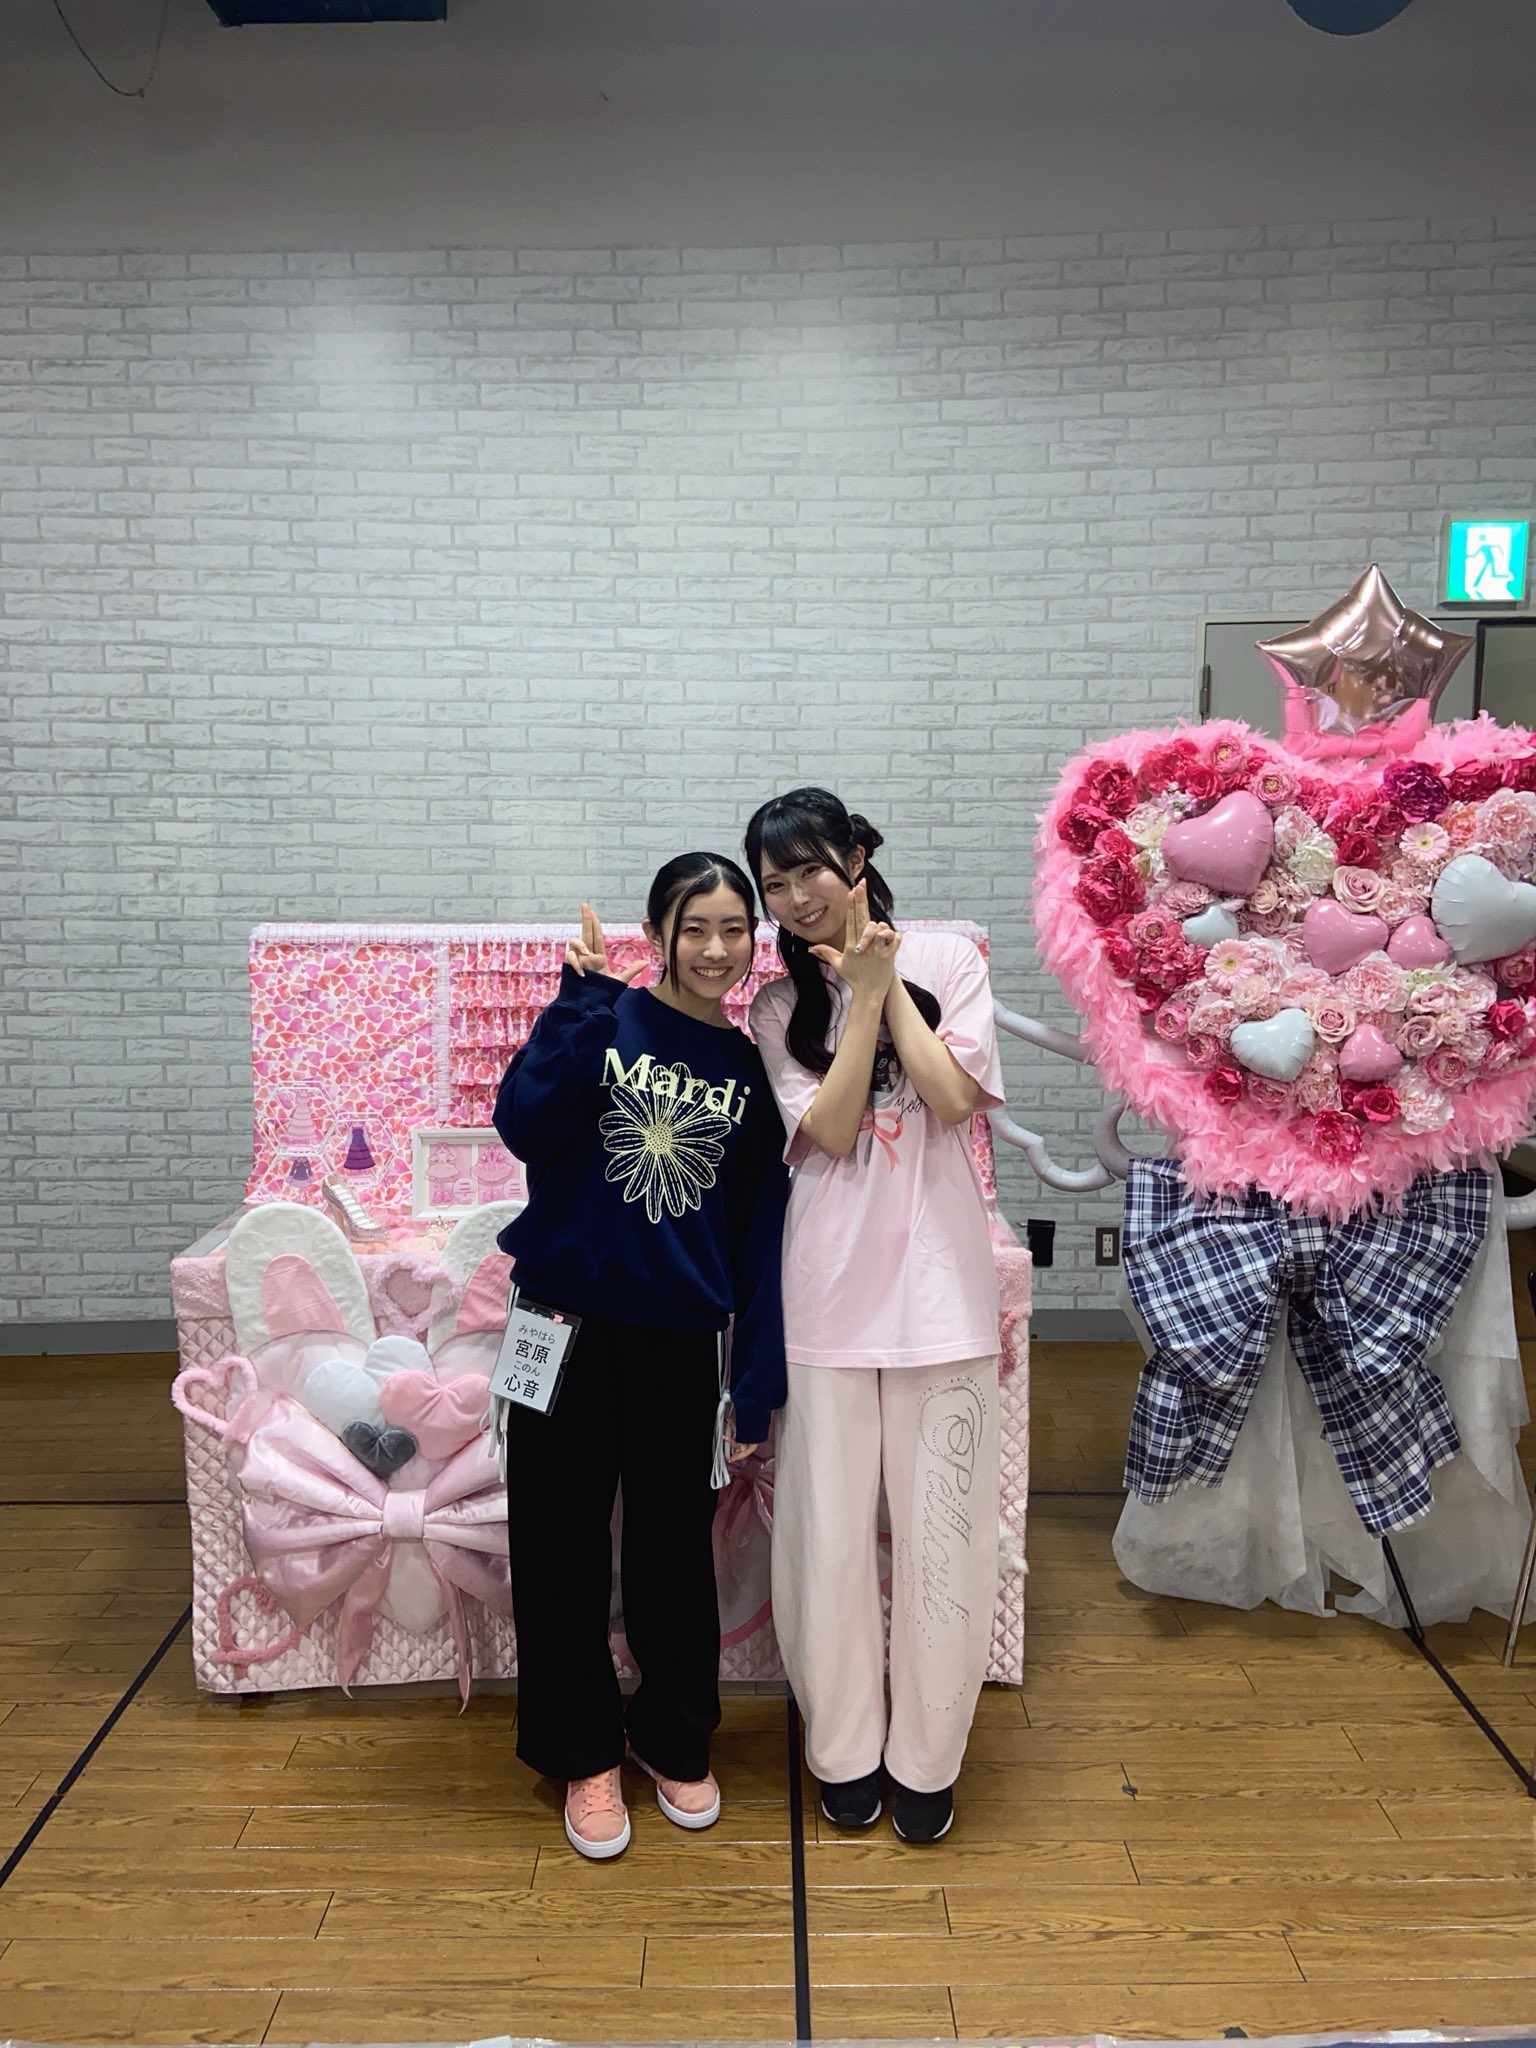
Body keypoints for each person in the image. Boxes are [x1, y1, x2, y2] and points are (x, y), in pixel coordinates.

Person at [492, 854, 788, 1861]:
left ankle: (673, 1737)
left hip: (679, 1340)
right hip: (560, 1325)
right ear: (658, 933)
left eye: (734, 928)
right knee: (558, 1547)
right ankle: (582, 1753)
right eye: (694, 926)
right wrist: (576, 1005)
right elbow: (525, 1124)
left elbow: (756, 1234)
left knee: (672, 1554)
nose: (715, 947)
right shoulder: (601, 1016)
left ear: (753, 941)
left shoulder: (747, 1068)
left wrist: (755, 1381)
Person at [745, 788, 1004, 1845]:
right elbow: (837, 1130)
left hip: (944, 1294)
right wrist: (854, 999)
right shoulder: (773, 1008)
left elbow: (952, 1098)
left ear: (856, 855)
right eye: (774, 884)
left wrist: (886, 981)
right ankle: (845, 1750)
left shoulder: (951, 959)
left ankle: (929, 1760)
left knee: (947, 1534)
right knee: (827, 1537)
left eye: (810, 868)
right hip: (825, 1298)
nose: (795, 896)